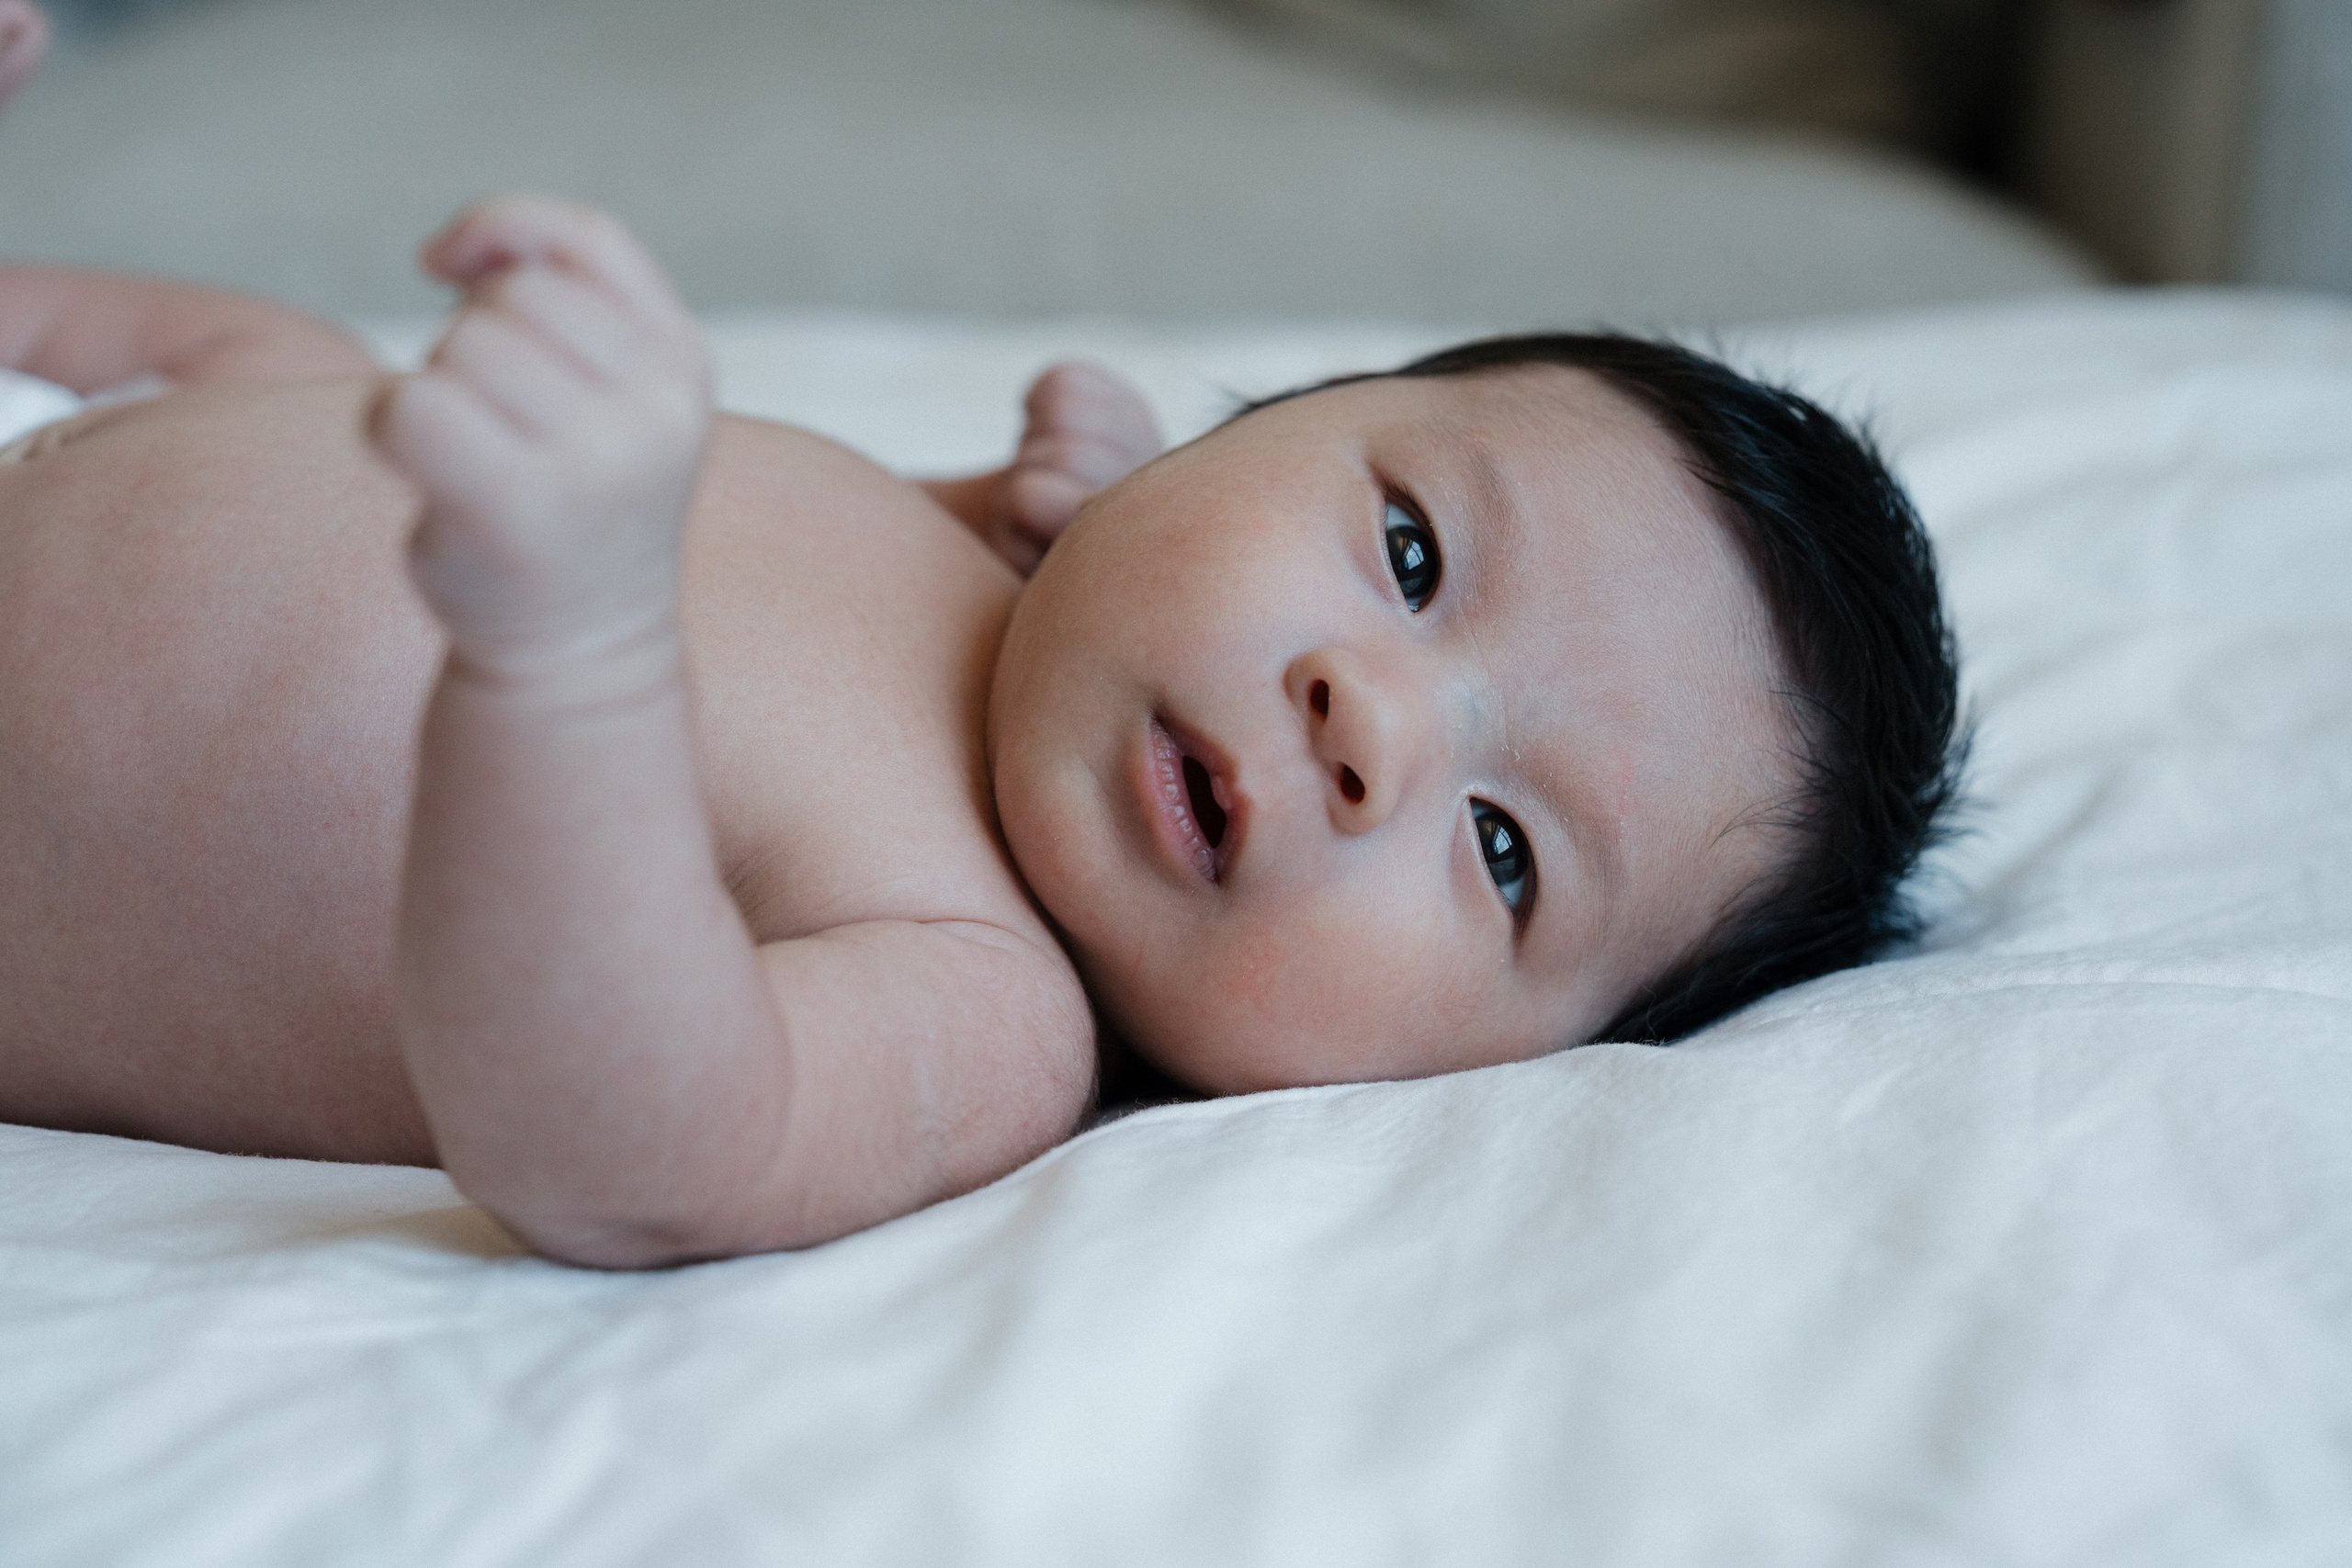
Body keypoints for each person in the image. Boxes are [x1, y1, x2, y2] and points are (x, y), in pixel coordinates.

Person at [0, 3, 1959, 1268]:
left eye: (1503, 849)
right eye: (1409, 549)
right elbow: (804, 568)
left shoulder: (982, 1001)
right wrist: (1031, 508)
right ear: (1248, 422)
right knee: (274, 362)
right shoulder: (1011, 594)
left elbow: (619, 1146)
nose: (1369, 720)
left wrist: (570, 654)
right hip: (80, 447)